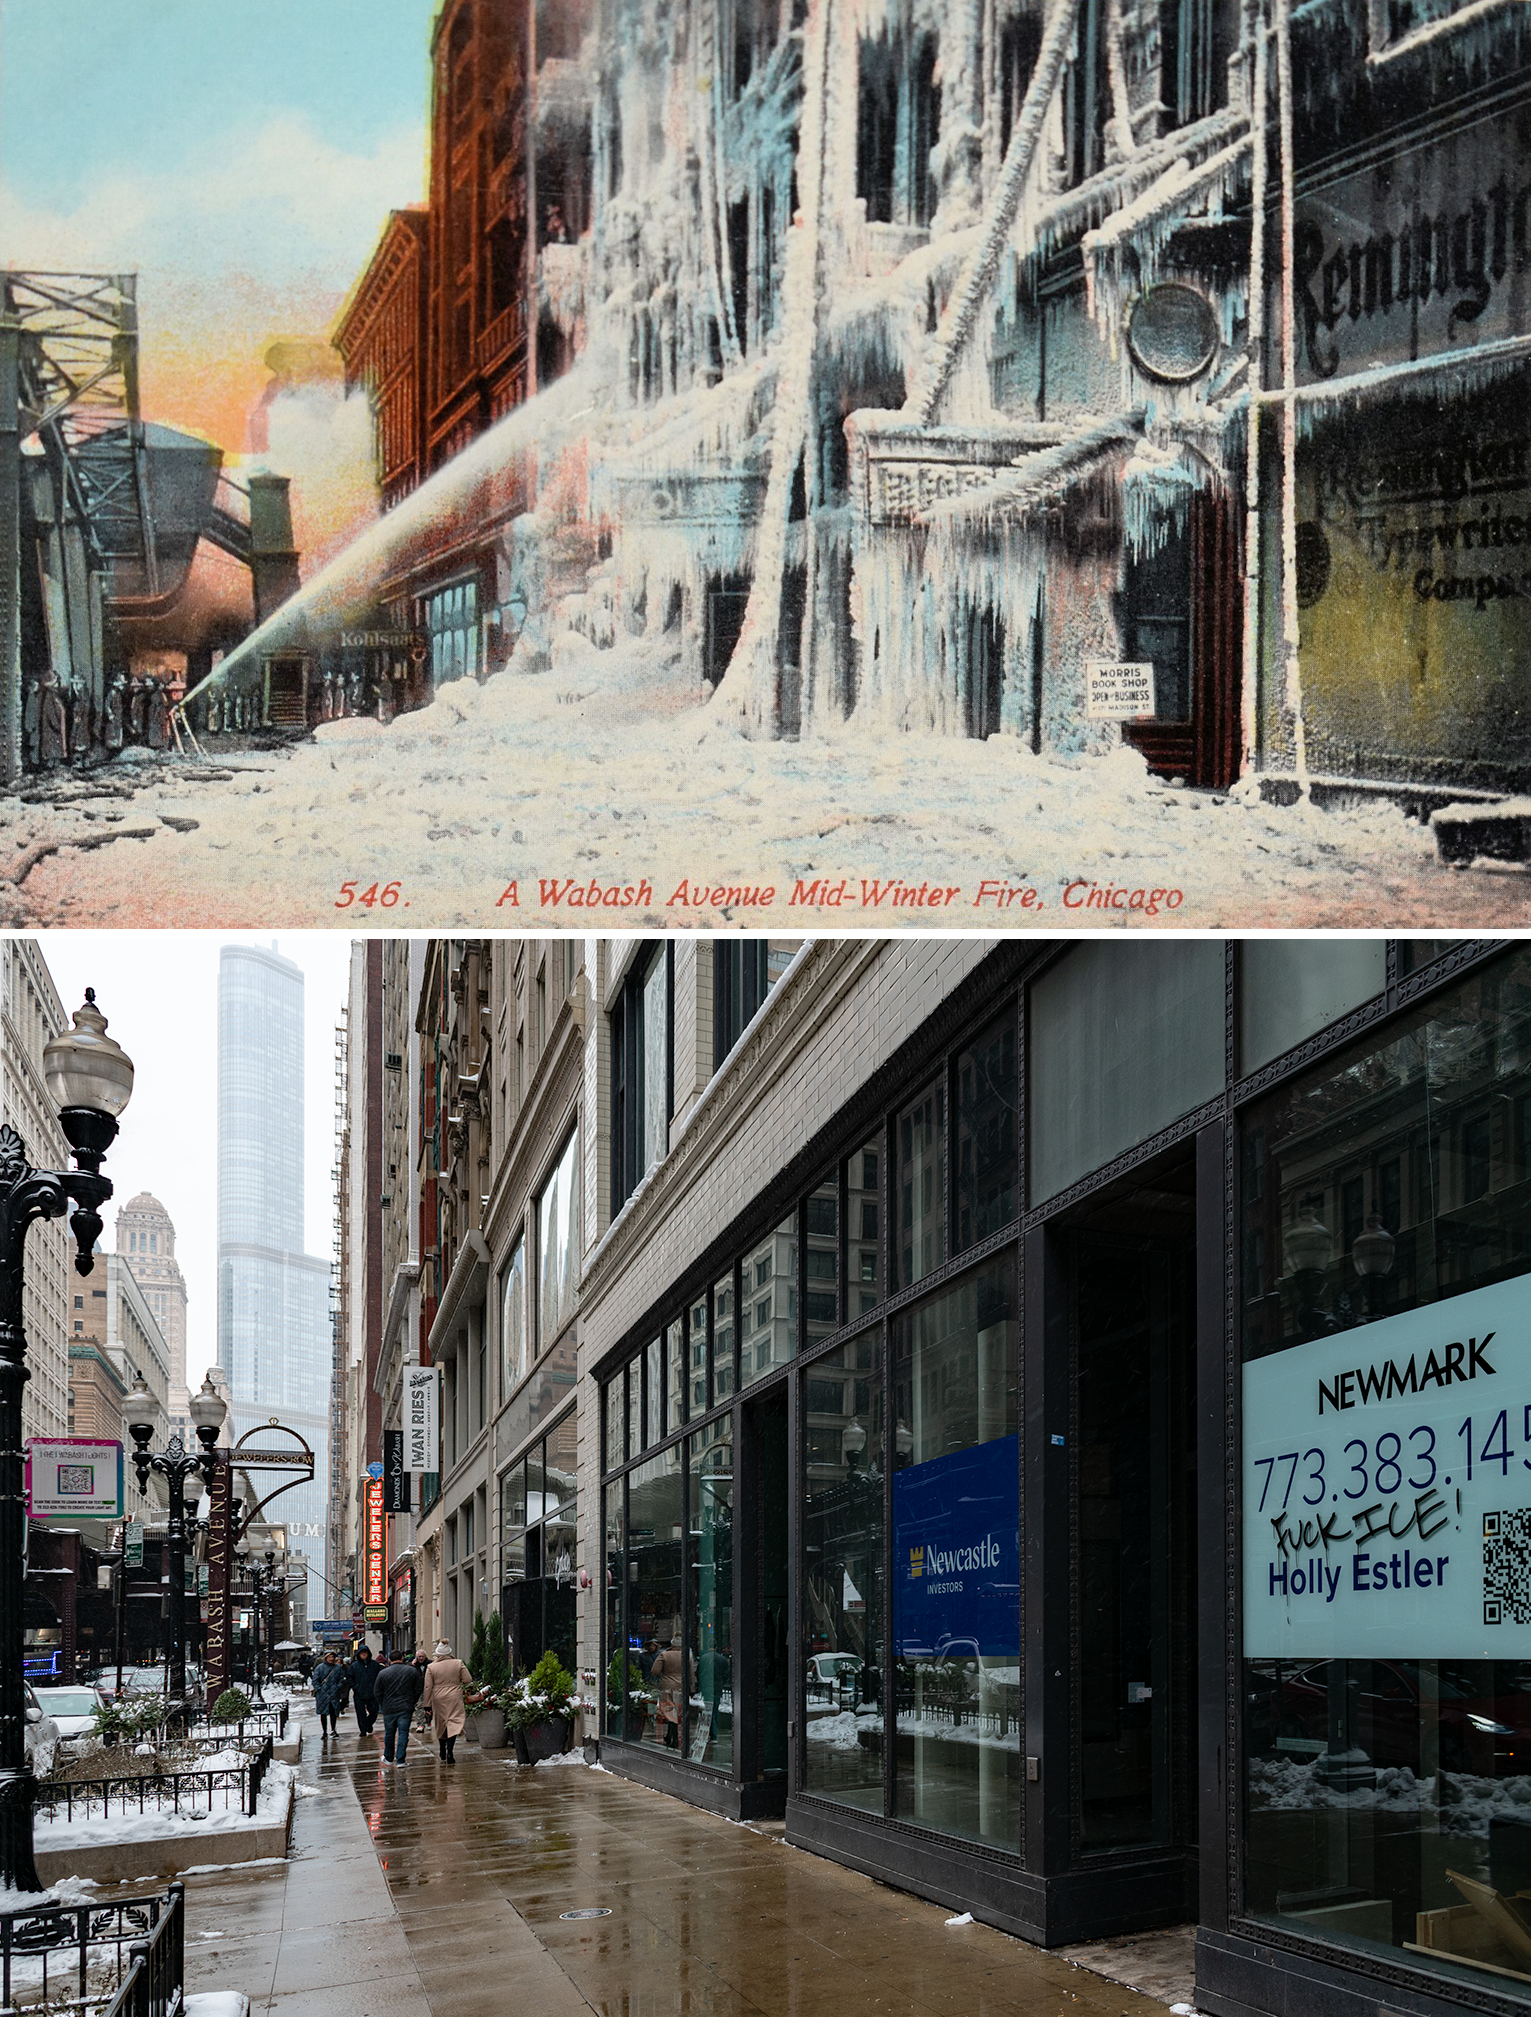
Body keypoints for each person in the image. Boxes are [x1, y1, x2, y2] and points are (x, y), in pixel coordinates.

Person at [422, 1640, 474, 1763]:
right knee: (453, 1722)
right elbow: (468, 1680)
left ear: (437, 1654)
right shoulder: (458, 1663)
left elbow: (428, 1687)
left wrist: (427, 1704)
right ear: (449, 1652)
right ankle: (450, 1750)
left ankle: (442, 1747)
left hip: (438, 1696)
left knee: (441, 1722)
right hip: (454, 1695)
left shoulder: (431, 1667)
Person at [375, 1649, 424, 1766]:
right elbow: (418, 1688)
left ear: (390, 1660)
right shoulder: (411, 1671)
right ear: (402, 1658)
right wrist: (413, 1701)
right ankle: (401, 1759)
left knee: (389, 1733)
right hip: (405, 1707)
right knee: (403, 1733)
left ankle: (388, 1757)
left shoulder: (383, 1673)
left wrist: (383, 1703)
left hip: (389, 1707)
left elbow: (377, 1692)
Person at [650, 1635, 695, 1750]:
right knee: (678, 1710)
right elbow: (691, 1674)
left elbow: (654, 1671)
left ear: (672, 1644)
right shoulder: (687, 1656)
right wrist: (692, 1689)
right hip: (681, 1686)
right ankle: (674, 1735)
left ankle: (671, 1734)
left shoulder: (664, 1655)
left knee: (669, 1710)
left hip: (667, 1686)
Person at [347, 1643, 380, 1736]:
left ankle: (368, 1724)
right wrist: (355, 1687)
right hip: (359, 1693)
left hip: (372, 1693)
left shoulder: (374, 1664)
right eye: (361, 1653)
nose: (364, 1654)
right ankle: (363, 1730)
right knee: (360, 1713)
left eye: (365, 1652)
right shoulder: (354, 1666)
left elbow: (379, 1676)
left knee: (374, 1711)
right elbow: (349, 1678)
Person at [314, 1651, 347, 1739]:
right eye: (329, 1657)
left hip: (334, 1693)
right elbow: (315, 1680)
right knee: (323, 1714)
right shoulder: (320, 1668)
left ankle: (333, 1730)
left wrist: (338, 1687)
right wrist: (319, 1689)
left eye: (332, 1657)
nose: (331, 1659)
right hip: (322, 1694)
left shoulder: (337, 1668)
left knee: (333, 1712)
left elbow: (341, 1679)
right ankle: (324, 1731)